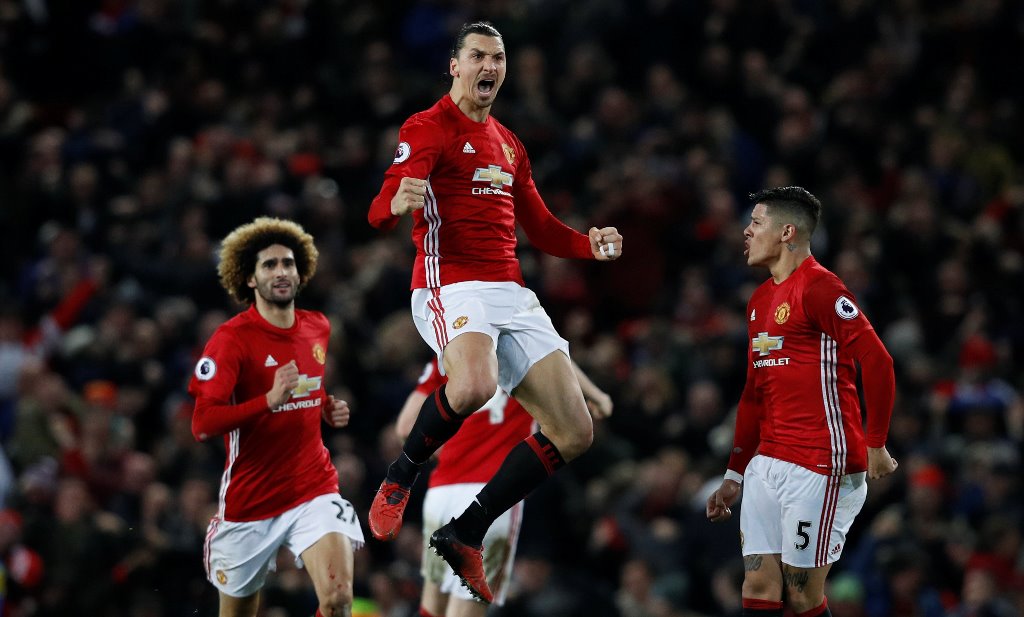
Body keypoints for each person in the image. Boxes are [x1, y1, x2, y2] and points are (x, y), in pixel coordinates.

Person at [366, 21, 622, 603]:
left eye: (499, 58)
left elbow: (541, 227)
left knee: (575, 431)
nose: (490, 66)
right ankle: (400, 475)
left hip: (509, 290)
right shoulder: (427, 127)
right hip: (450, 283)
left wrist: (589, 245)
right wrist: (392, 204)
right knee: (475, 385)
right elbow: (382, 201)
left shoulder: (509, 144)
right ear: (454, 66)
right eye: (478, 56)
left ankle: (468, 531)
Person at [705, 186, 899, 617]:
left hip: (822, 462)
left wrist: (876, 443)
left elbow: (878, 361)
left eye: (756, 222)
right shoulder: (759, 301)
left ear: (786, 232)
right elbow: (753, 395)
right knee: (758, 585)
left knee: (801, 593)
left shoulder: (821, 288)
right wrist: (735, 473)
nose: (746, 231)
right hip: (768, 461)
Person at [189, 217, 363, 617]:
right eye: (269, 265)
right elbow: (202, 424)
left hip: (313, 488)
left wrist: (325, 406)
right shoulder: (230, 339)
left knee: (338, 600)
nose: (281, 272)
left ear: (300, 272)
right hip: (250, 503)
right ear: (250, 278)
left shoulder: (318, 327)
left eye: (288, 263)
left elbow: (305, 387)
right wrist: (267, 400)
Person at [397, 357, 612, 616]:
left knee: (432, 606)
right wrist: (596, 394)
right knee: (465, 609)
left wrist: (456, 452)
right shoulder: (522, 347)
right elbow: (557, 358)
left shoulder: (450, 353)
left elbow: (405, 427)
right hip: (493, 497)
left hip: (441, 490)